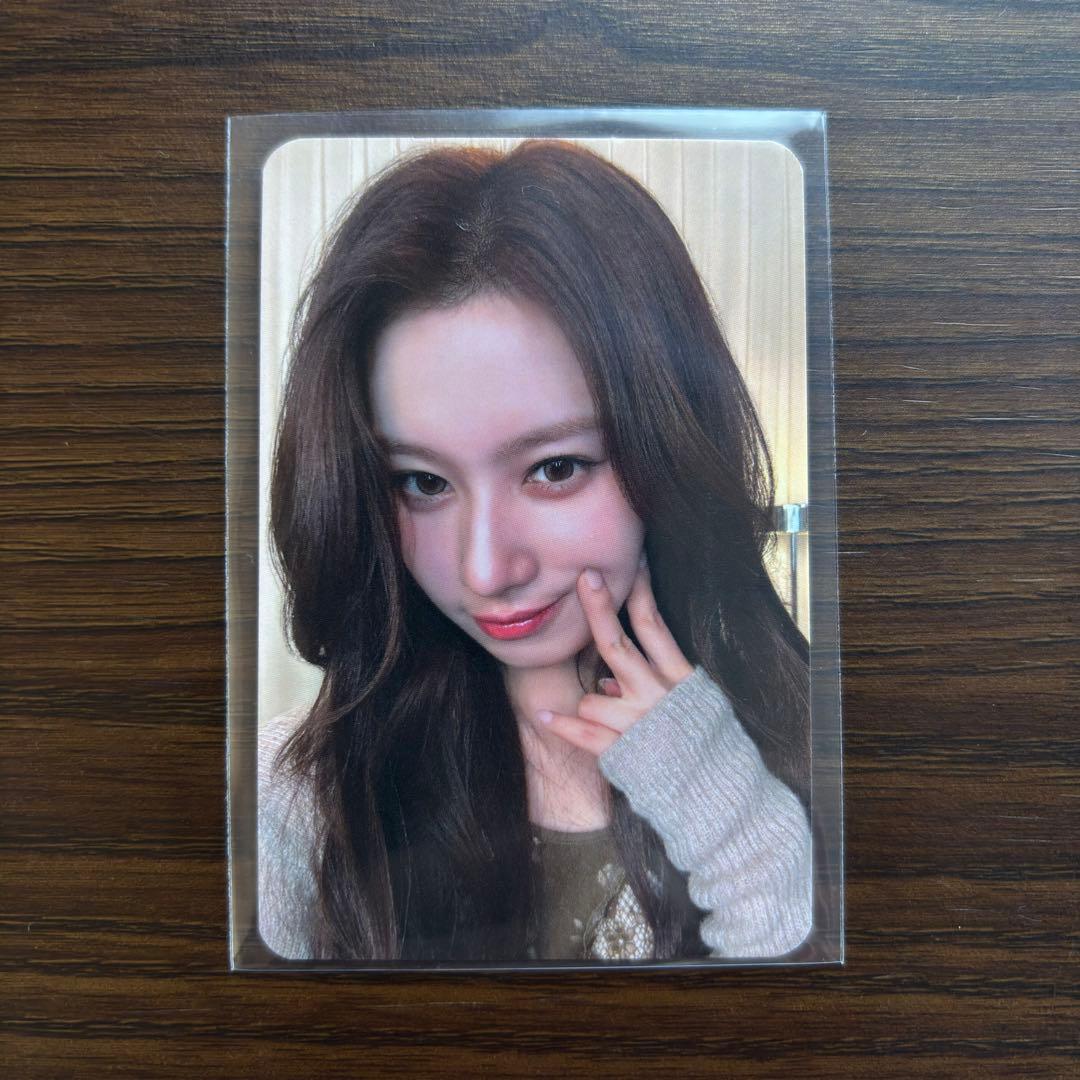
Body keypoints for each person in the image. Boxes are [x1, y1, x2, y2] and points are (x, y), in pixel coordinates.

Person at [258, 139, 813, 963]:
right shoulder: (305, 794)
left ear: (669, 446)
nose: (485, 569)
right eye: (422, 482)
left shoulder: (819, 739)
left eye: (555, 469)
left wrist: (735, 821)